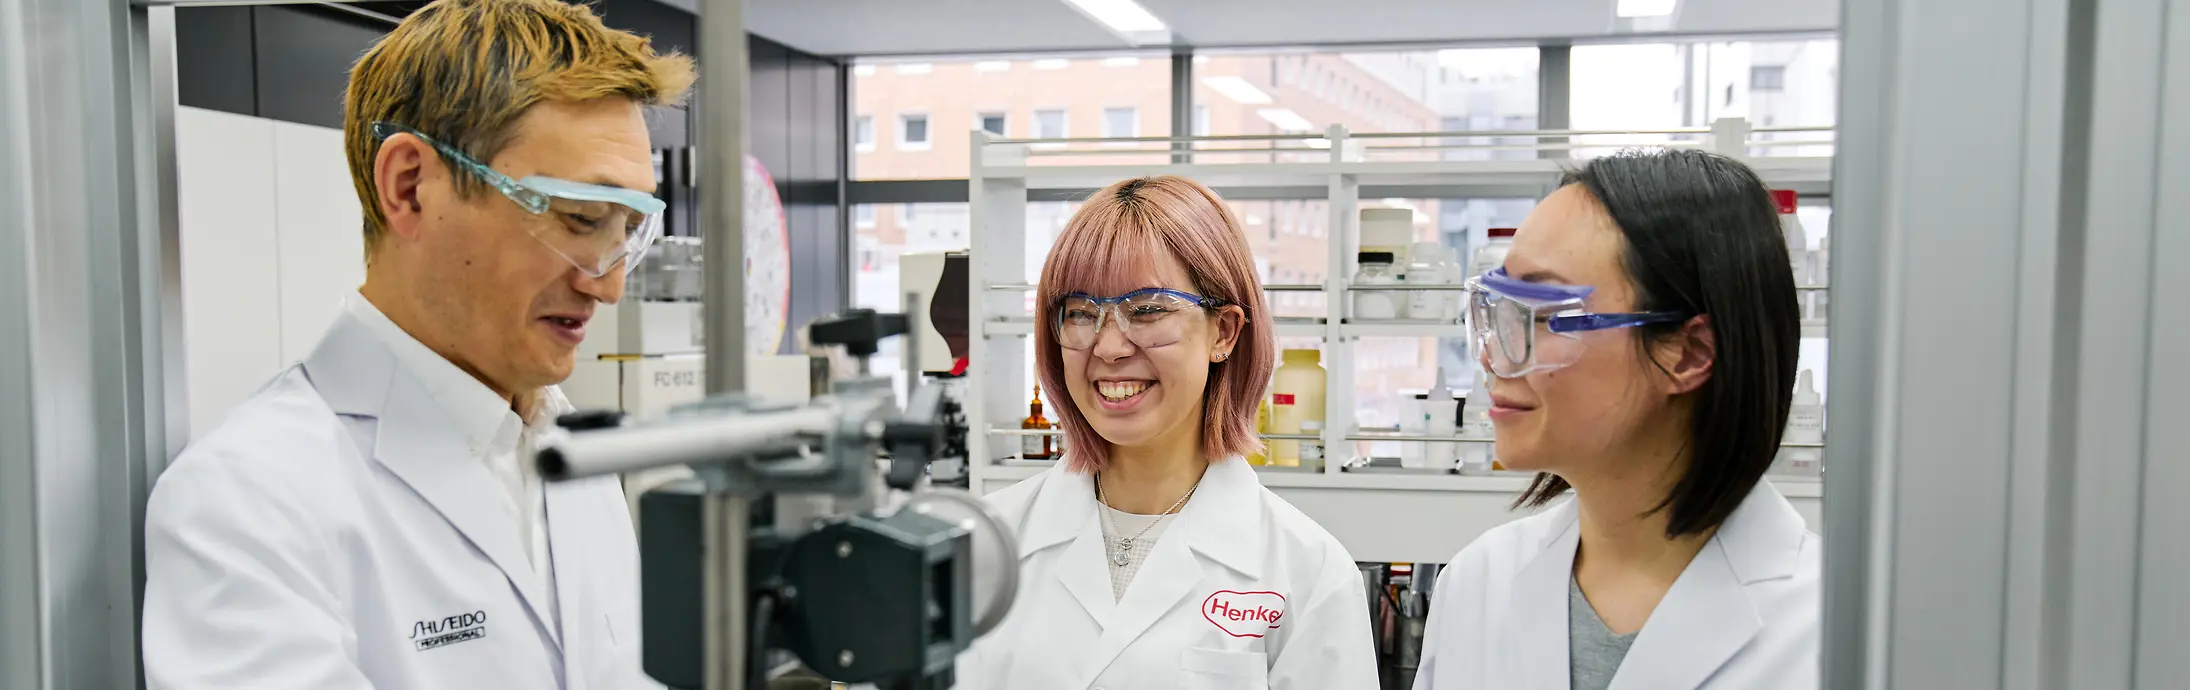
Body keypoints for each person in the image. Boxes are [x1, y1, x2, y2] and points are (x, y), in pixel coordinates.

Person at [140, 1, 692, 688]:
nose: (607, 287)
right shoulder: (248, 503)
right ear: (410, 188)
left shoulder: (572, 450)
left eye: (624, 234)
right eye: (580, 219)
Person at [1412, 149, 1819, 690]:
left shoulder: (1830, 628)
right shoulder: (1478, 585)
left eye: (1544, 315)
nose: (1493, 356)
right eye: (1498, 309)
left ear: (1691, 352)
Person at [955, 176, 1378, 689]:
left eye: (1149, 309)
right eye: (1082, 314)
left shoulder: (1308, 572)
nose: (1109, 347)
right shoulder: (981, 547)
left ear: (1223, 331)